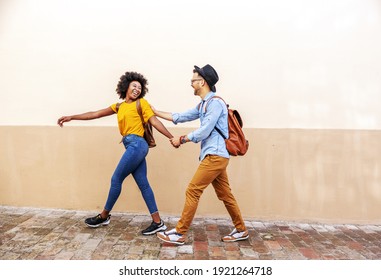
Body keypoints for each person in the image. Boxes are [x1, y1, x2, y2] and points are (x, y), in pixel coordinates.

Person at [57, 71, 178, 235]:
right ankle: (158, 222)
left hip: (137, 145)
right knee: (143, 183)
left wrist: (171, 137)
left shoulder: (142, 103)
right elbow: (96, 113)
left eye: (140, 87)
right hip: (132, 146)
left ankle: (104, 216)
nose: (137, 89)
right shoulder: (119, 106)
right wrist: (72, 117)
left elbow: (154, 121)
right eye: (134, 85)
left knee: (116, 179)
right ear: (126, 86)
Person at [153, 64, 249, 245]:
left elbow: (204, 131)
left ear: (202, 82)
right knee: (226, 195)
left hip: (215, 155)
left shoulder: (216, 103)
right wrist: (155, 111)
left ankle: (179, 233)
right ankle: (241, 229)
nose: (191, 84)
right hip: (214, 156)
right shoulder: (204, 104)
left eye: (193, 80)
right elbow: (180, 117)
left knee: (193, 190)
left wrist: (181, 139)